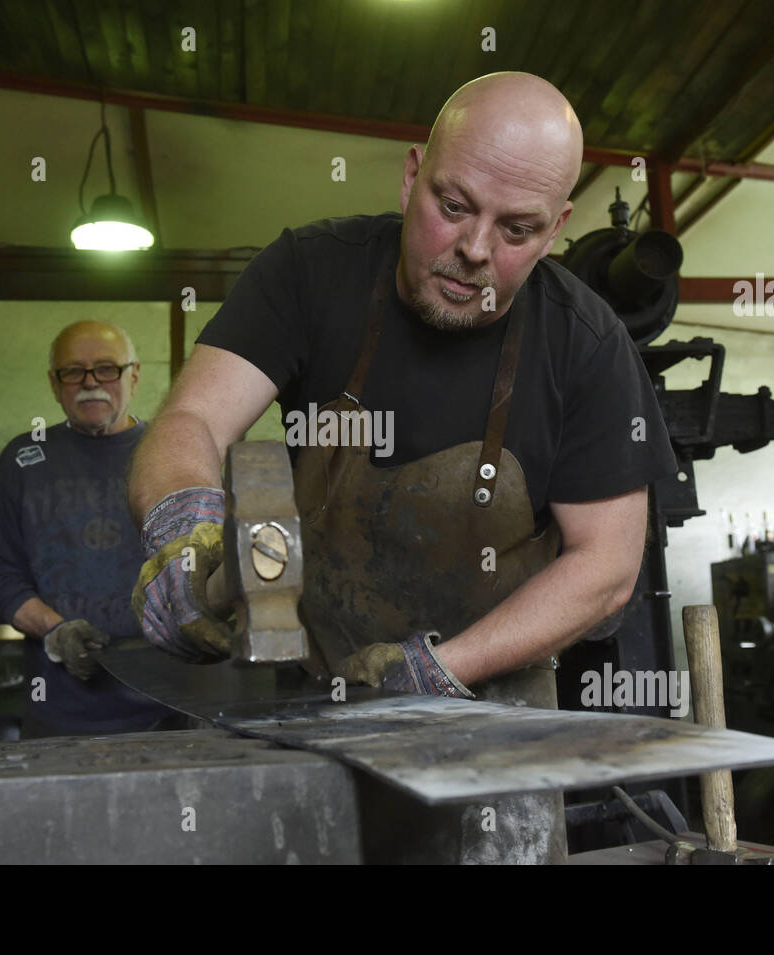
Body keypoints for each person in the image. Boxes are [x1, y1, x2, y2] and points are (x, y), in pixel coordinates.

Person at [128, 73, 678, 860]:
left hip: (498, 722)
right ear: (412, 173)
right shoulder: (311, 273)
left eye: (517, 229)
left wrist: (441, 668)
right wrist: (183, 531)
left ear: (558, 228)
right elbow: (191, 419)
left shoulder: (586, 346)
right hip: (313, 706)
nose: (475, 250)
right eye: (452, 206)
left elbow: (608, 566)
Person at [0, 320, 177, 738]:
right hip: (60, 715)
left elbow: (212, 564)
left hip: (173, 710)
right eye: (73, 372)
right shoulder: (23, 461)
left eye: (106, 369)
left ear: (134, 375)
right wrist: (56, 629)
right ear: (54, 382)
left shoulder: (173, 457)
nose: (90, 383)